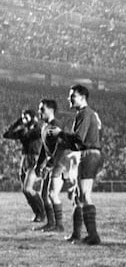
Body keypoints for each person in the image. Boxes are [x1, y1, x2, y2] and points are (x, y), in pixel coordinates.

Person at [49, 84, 103, 245]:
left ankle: (93, 236)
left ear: (82, 97)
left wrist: (61, 134)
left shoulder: (85, 114)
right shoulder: (88, 114)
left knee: (84, 196)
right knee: (78, 197)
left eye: (72, 95)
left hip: (88, 154)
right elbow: (78, 141)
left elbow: (79, 138)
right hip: (90, 153)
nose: (69, 98)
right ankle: (77, 234)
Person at [34, 99, 80, 232]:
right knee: (44, 194)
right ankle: (51, 223)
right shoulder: (45, 127)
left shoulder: (55, 126)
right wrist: (39, 164)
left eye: (42, 109)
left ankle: (58, 225)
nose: (39, 111)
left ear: (51, 110)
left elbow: (61, 146)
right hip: (52, 161)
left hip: (59, 161)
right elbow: (44, 147)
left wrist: (51, 164)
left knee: (52, 194)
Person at [3, 109, 44, 222]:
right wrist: (17, 122)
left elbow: (30, 134)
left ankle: (42, 212)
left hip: (34, 158)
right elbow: (6, 134)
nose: (24, 120)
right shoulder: (23, 130)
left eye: (26, 117)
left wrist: (23, 127)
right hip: (24, 159)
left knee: (28, 189)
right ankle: (38, 213)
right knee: (24, 190)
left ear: (33, 118)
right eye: (22, 118)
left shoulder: (37, 130)